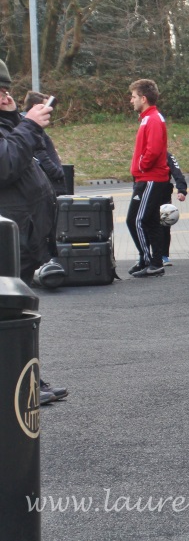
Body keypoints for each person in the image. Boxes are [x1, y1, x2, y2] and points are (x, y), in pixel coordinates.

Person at [0, 62, 67, 404]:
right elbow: (5, 165)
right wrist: (27, 124)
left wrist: (16, 119)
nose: (6, 96)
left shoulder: (8, 121)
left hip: (21, 236)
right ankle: (19, 386)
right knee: (9, 314)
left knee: (19, 314)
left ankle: (27, 379)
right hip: (7, 236)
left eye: (7, 89)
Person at [21, 91, 68, 285]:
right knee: (45, 230)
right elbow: (41, 154)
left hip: (45, 186)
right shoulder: (29, 129)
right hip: (47, 186)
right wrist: (57, 172)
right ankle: (45, 268)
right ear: (34, 108)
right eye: (45, 106)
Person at [125, 79, 170, 278]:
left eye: (133, 96)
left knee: (136, 220)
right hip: (147, 177)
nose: (131, 100)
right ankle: (154, 261)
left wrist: (142, 165)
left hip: (150, 178)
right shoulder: (148, 118)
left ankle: (147, 259)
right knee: (150, 221)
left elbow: (153, 149)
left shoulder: (153, 119)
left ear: (143, 98)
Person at [160, 152, 187, 267]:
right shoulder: (143, 153)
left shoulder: (168, 156)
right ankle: (145, 255)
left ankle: (164, 255)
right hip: (146, 193)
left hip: (163, 194)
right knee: (145, 224)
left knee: (165, 224)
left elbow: (177, 173)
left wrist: (181, 190)